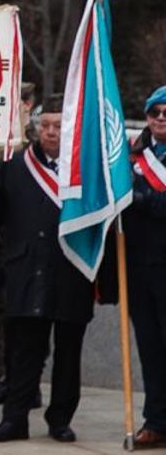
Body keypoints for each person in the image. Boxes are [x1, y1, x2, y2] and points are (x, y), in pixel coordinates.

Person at [0, 95, 99, 443]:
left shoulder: (87, 169)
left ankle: (60, 419)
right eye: (44, 125)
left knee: (67, 353)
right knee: (22, 353)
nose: (49, 132)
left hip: (71, 271)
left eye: (58, 125)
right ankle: (14, 419)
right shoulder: (16, 166)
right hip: (26, 270)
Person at [126, 87, 166, 448]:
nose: (161, 119)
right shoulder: (131, 157)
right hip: (140, 269)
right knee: (150, 348)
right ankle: (156, 420)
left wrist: (148, 201)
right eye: (155, 112)